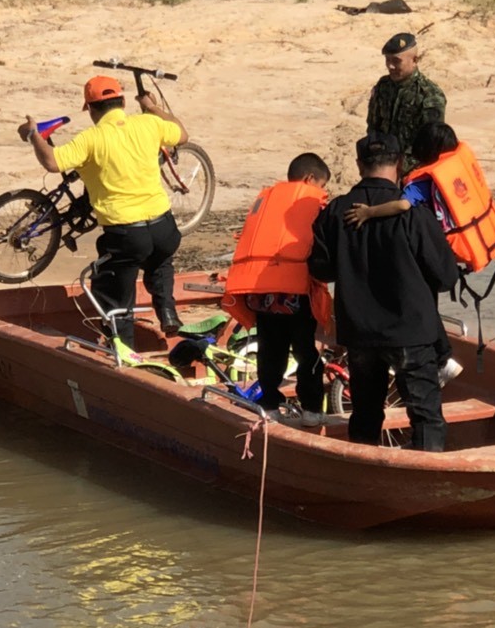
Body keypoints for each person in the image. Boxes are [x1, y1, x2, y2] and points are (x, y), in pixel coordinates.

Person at [308, 133, 459, 451]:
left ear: (360, 165)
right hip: (411, 331)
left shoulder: (336, 212)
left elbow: (320, 270)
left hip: (360, 332)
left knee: (364, 413)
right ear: (400, 164)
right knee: (425, 415)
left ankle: (363, 477)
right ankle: (425, 479)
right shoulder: (414, 213)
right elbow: (446, 277)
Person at [20, 74, 186, 347]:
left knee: (113, 292)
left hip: (125, 232)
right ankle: (167, 311)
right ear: (122, 101)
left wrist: (34, 135)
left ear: (92, 109)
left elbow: (51, 161)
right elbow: (182, 133)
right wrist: (153, 107)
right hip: (163, 225)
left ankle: (123, 351)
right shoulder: (149, 123)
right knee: (160, 261)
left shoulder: (92, 139)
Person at [343, 121, 495, 387]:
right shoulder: (456, 165)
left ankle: (443, 358)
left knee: (421, 303)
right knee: (425, 302)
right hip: (458, 246)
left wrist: (369, 212)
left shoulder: (422, 181)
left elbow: (401, 204)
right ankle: (442, 357)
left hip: (438, 246)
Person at [222, 153, 333, 427]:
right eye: (321, 184)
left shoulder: (267, 200)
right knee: (306, 352)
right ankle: (311, 410)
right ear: (309, 180)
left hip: (261, 292)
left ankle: (269, 404)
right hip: (295, 294)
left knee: (270, 349)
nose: (322, 191)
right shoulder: (313, 203)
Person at [365, 32, 447, 173]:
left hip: (414, 171)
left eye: (396, 61)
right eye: (387, 60)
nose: (390, 66)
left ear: (414, 60)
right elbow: (373, 127)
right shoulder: (383, 86)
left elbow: (431, 143)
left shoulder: (429, 95)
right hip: (382, 167)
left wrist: (401, 168)